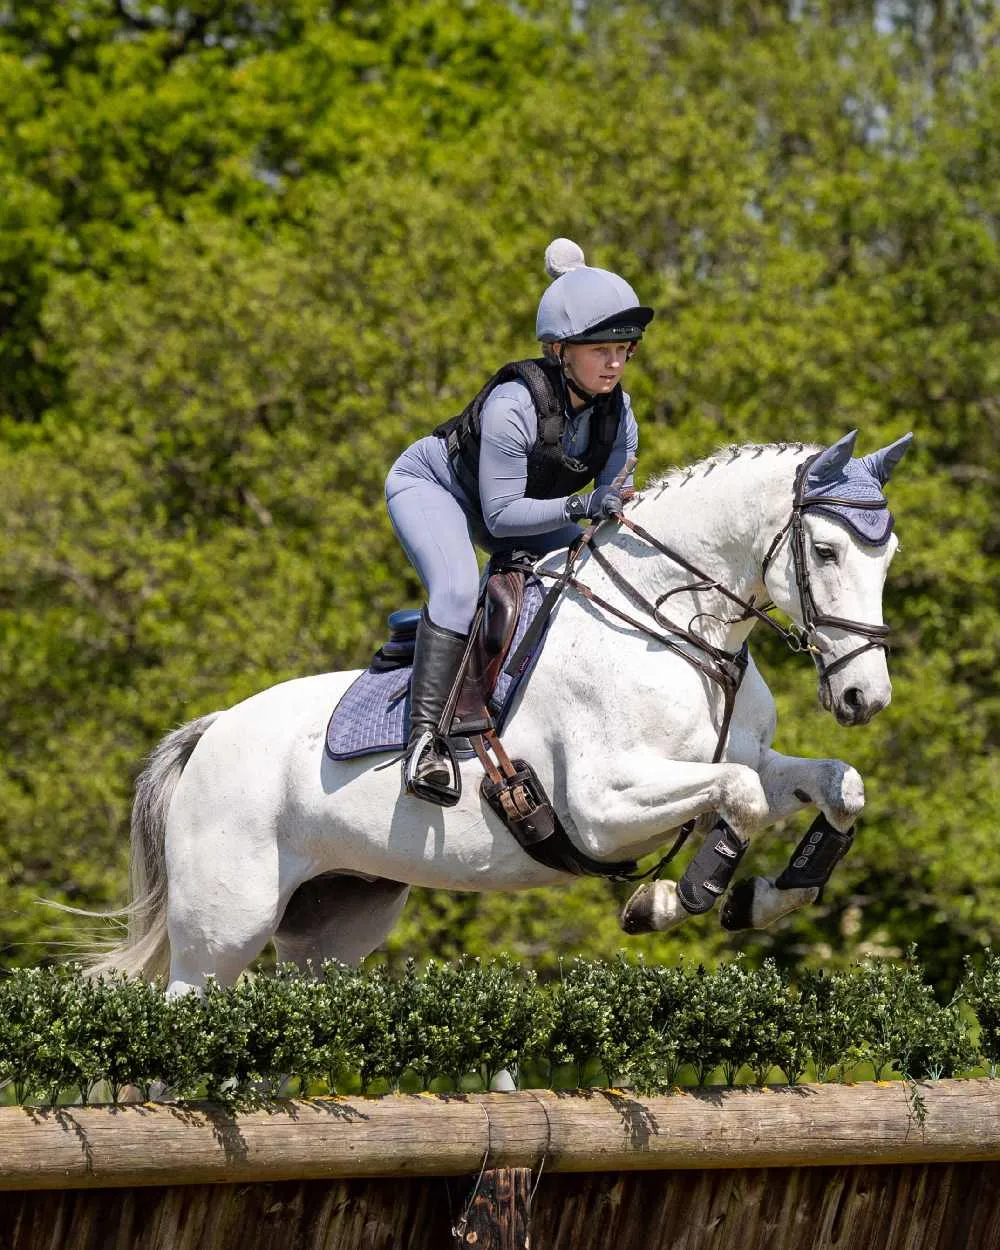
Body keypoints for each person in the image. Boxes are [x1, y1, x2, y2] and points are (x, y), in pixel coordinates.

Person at [385, 238, 654, 804]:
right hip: (439, 491)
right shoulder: (515, 402)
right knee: (458, 591)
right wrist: (583, 507)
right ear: (559, 350)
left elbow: (609, 506)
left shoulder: (618, 414)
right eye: (599, 348)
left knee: (601, 566)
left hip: (515, 508)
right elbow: (503, 519)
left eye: (623, 349)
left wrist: (606, 514)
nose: (614, 362)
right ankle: (425, 744)